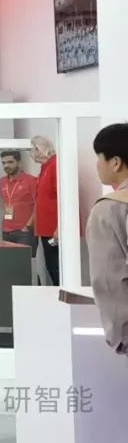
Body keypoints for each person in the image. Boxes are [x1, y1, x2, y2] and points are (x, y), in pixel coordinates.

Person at [84, 123, 128, 354]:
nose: (97, 164)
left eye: (99, 157)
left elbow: (109, 281)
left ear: (115, 162)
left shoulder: (109, 210)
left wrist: (121, 337)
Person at [32, 136, 60, 285]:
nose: (31, 153)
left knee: (56, 267)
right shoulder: (45, 168)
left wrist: (59, 228)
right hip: (45, 228)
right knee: (50, 266)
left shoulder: (55, 165)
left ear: (39, 149)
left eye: (33, 149)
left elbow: (64, 197)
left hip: (54, 229)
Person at [0, 151, 38, 253]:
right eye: (3, 163)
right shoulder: (2, 181)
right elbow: (4, 202)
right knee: (8, 260)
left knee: (25, 261)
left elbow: (38, 205)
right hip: (6, 230)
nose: (6, 165)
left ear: (19, 163)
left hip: (24, 232)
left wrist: (28, 226)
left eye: (10, 162)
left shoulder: (31, 180)